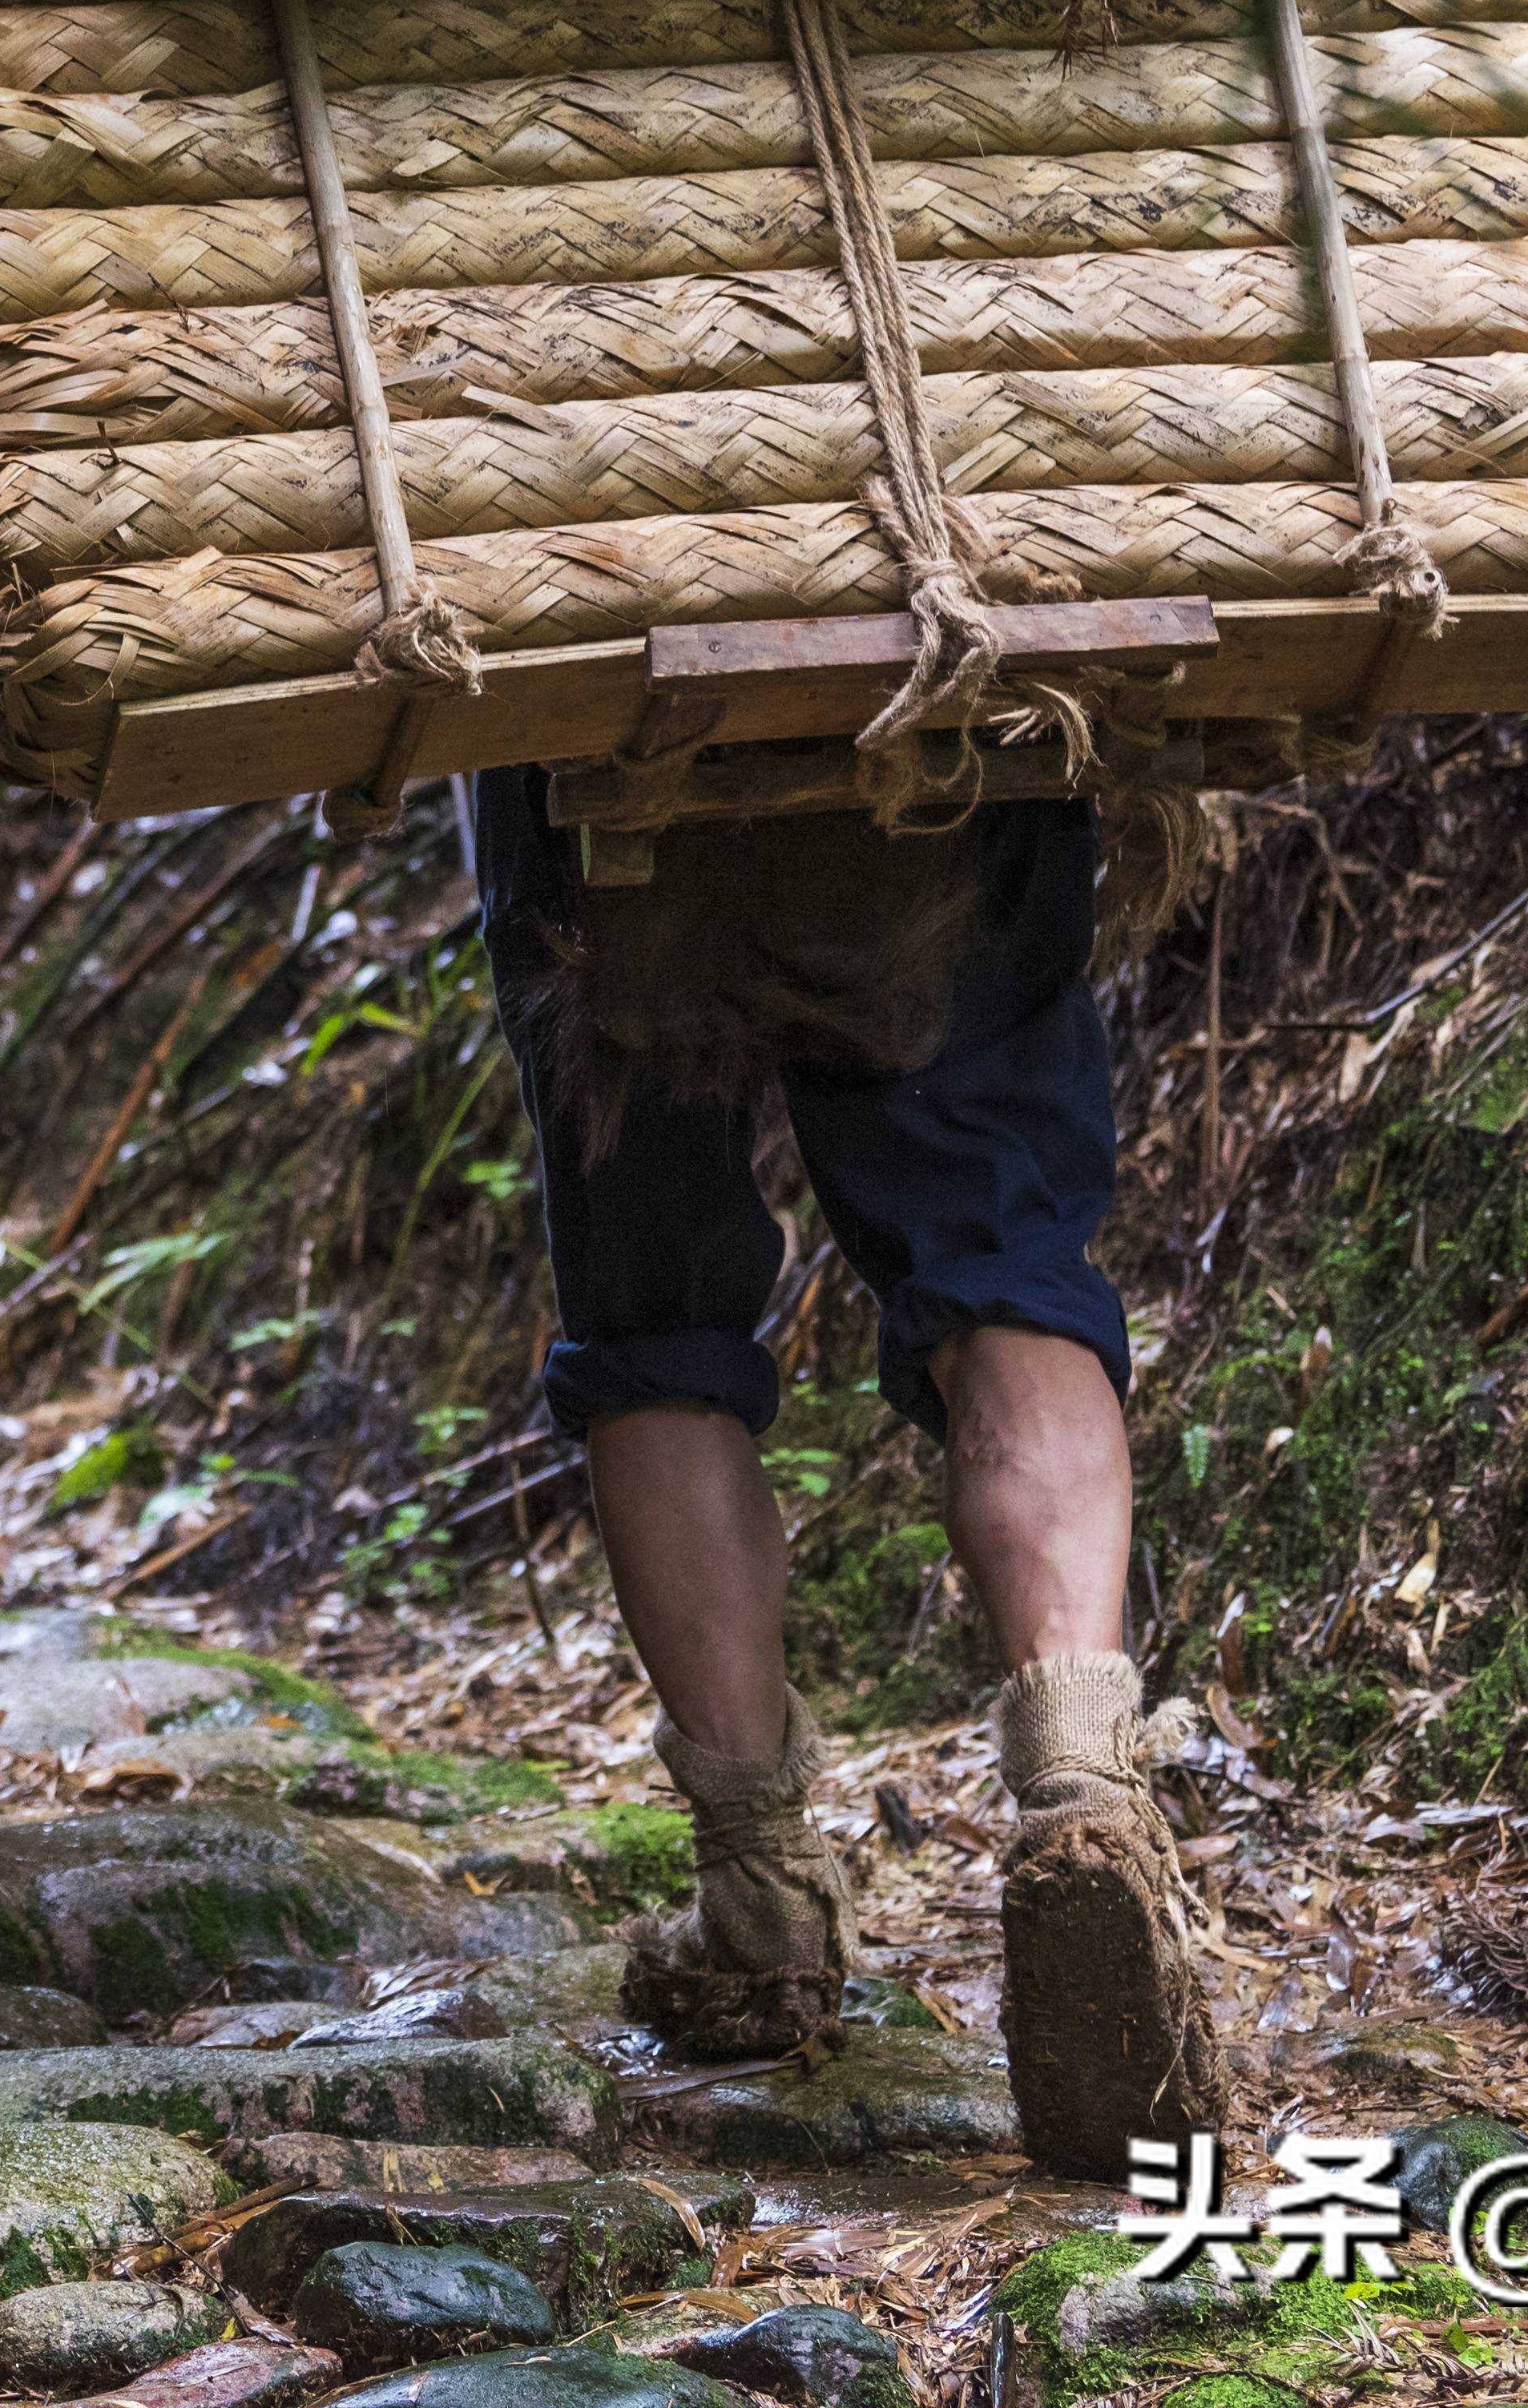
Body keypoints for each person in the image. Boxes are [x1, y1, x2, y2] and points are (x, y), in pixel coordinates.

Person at [469, 774, 1232, 2175]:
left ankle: (757, 1901)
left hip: (594, 744)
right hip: (919, 703)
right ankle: (1081, 1796)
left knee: (657, 1324)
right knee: (1003, 1265)